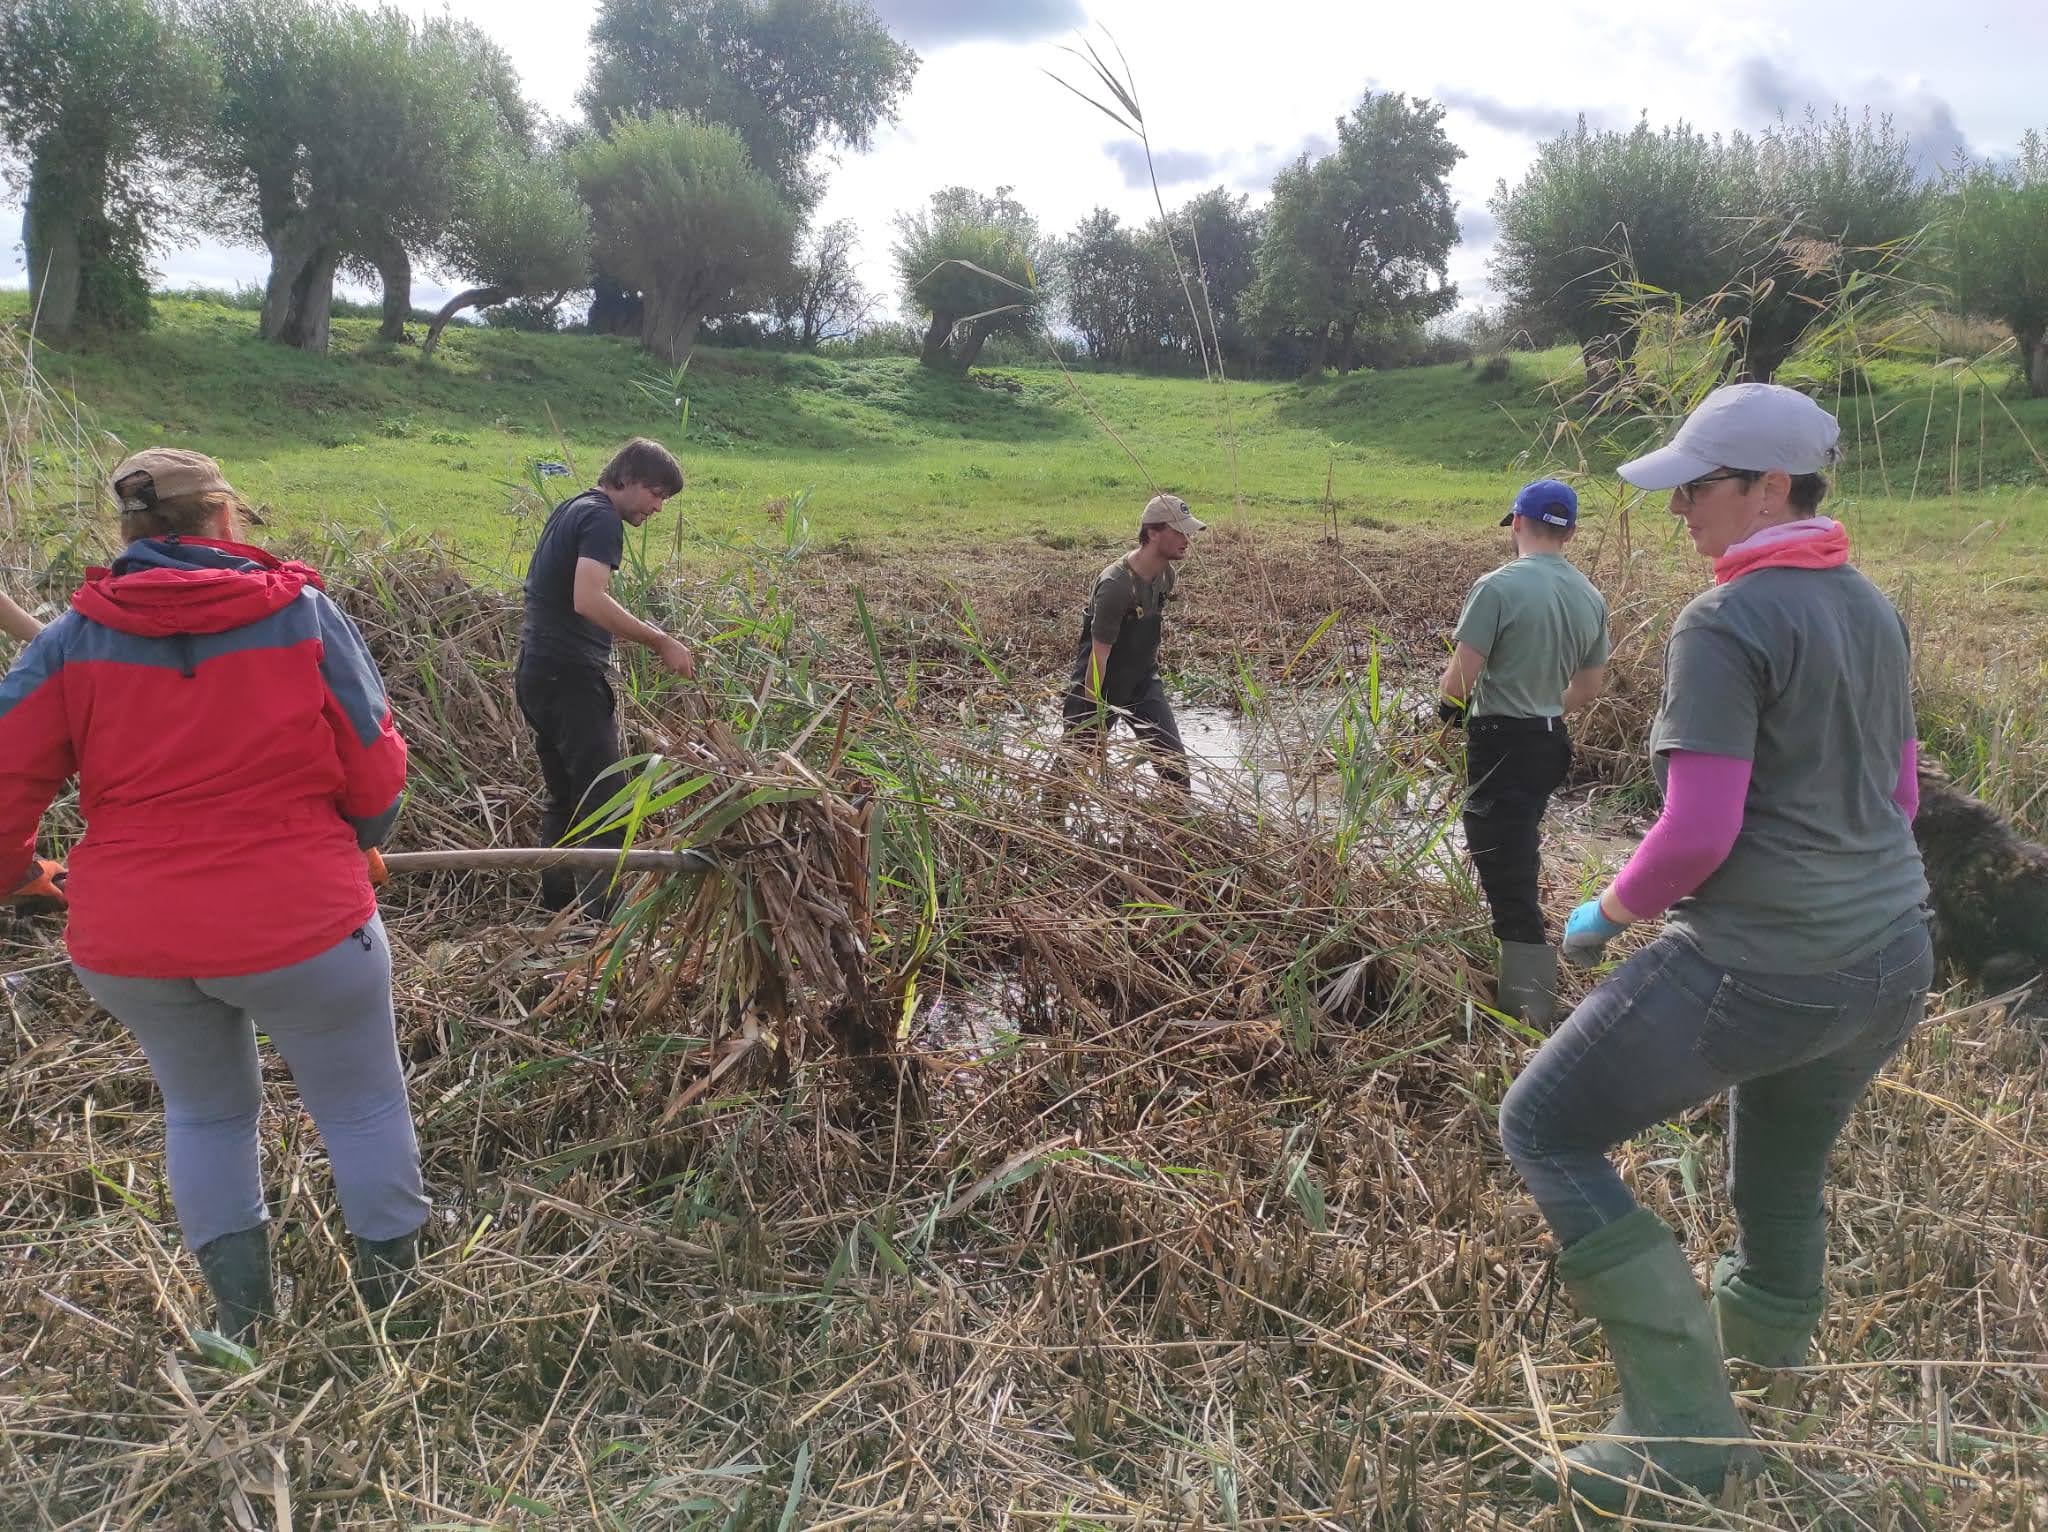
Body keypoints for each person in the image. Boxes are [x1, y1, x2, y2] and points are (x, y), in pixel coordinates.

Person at [1496, 385, 1931, 1510]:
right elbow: (1897, 788)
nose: (1681, 507)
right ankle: (1765, 1357)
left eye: (1700, 486)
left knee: (1541, 1121)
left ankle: (1683, 1429)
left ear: (1769, 487)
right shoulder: (1869, 606)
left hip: (1762, 960)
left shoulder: (1725, 622)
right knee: (1778, 1161)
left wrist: (1599, 916)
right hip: (1890, 950)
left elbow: (1696, 831)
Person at [0, 447, 424, 1343]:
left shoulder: (73, 639)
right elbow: (376, 762)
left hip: (132, 940)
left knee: (204, 1111)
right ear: (225, 520)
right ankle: (394, 1326)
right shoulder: (301, 612)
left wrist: (22, 877)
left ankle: (242, 1324)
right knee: (364, 1107)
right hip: (303, 921)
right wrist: (361, 841)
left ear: (128, 533)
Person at [1438, 479, 1609, 1027]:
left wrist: (1443, 719)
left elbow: (1461, 678)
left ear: (1516, 522)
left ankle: (1532, 1010)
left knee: (1506, 872)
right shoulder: (1590, 596)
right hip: (1547, 741)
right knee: (1519, 853)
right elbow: (1587, 688)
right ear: (1572, 532)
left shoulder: (1497, 586)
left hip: (1500, 743)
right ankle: (1529, 987)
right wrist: (1541, 707)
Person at [516, 438, 695, 914]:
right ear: (629, 479)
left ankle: (555, 910)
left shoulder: (571, 508)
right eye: (656, 493)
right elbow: (588, 599)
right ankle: (602, 924)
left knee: (564, 797)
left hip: (536, 672)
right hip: (569, 677)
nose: (658, 507)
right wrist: (661, 640)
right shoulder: (600, 518)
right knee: (604, 802)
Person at [1057, 492, 1206, 797]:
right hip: (1098, 686)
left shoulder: (1167, 575)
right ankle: (1049, 825)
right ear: (1153, 532)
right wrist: (1095, 720)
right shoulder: (1116, 585)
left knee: (1175, 772)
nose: (1187, 539)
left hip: (1142, 681)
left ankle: (1173, 832)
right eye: (1179, 531)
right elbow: (1098, 659)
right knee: (1071, 770)